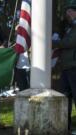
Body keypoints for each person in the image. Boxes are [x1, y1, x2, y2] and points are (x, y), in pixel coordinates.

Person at [52, 1, 76, 131]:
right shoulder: (69, 27)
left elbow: (70, 42)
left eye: (70, 11)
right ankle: (65, 126)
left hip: (74, 67)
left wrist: (53, 43)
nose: (68, 14)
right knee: (65, 97)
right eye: (67, 11)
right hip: (67, 67)